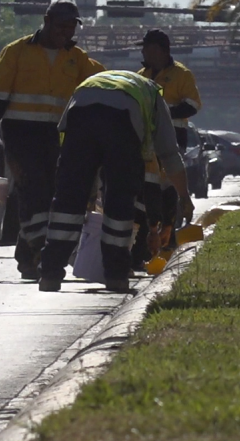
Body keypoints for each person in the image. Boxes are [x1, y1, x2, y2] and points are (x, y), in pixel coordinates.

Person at [0, 0, 105, 280]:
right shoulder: (17, 52)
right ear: (47, 21)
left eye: (71, 28)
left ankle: (29, 255)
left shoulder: (78, 59)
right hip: (21, 134)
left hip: (56, 136)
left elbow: (101, 85)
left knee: (51, 196)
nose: (66, 33)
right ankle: (40, 253)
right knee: (33, 191)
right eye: (62, 27)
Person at [37, 70, 195, 293]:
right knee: (119, 203)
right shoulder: (152, 94)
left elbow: (65, 133)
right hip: (121, 124)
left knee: (67, 200)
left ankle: (50, 274)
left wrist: (80, 179)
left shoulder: (92, 82)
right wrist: (184, 197)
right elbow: (169, 154)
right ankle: (116, 275)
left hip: (80, 116)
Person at [136, 28, 203, 254]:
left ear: (158, 50)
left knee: (168, 185)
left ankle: (169, 233)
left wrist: (162, 112)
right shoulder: (141, 75)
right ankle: (149, 235)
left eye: (146, 48)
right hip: (147, 140)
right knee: (148, 185)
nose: (143, 52)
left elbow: (192, 106)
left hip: (173, 137)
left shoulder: (181, 75)